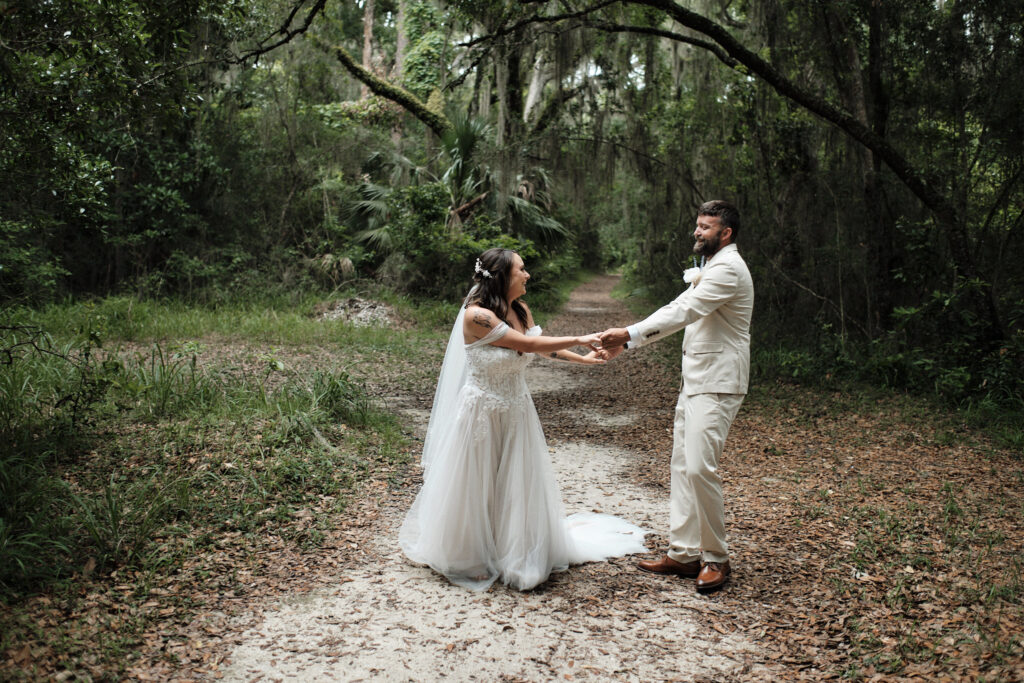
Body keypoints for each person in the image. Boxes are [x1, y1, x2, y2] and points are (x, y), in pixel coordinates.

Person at [400, 248, 648, 591]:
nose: (527, 274)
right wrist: (580, 336)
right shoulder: (477, 317)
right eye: (521, 269)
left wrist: (584, 359)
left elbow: (541, 346)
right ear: (502, 276)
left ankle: (514, 550)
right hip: (481, 412)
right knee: (477, 482)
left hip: (516, 408)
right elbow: (524, 345)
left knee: (516, 482)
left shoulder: (520, 309)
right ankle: (470, 554)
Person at [599, 200, 753, 593]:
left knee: (701, 468)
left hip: (718, 382)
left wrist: (629, 336)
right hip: (695, 379)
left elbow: (683, 309)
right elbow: (684, 309)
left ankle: (717, 559)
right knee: (683, 466)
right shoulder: (710, 265)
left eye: (706, 227)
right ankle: (684, 554)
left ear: (726, 233)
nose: (698, 232)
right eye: (697, 225)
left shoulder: (729, 269)